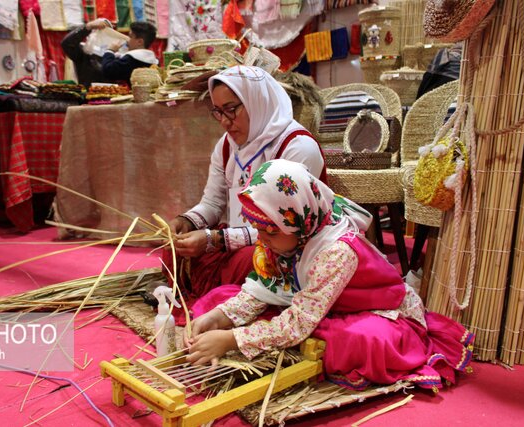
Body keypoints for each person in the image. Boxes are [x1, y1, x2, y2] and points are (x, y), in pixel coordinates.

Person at [185, 159, 474, 392]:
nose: (261, 238)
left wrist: (231, 339)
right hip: (316, 304)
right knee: (221, 299)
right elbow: (262, 288)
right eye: (259, 228)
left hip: (377, 312)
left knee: (360, 340)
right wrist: (220, 317)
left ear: (297, 216)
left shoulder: (336, 251)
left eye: (270, 230)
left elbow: (299, 322)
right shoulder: (285, 232)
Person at [164, 66, 327, 302]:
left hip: (290, 245)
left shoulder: (297, 146)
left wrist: (215, 240)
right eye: (218, 112)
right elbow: (212, 202)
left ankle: (225, 301)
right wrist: (185, 222)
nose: (224, 122)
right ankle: (213, 297)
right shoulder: (228, 145)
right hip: (237, 240)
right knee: (176, 249)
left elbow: (288, 228)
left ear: (257, 102)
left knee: (250, 261)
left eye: (231, 110)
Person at [61, 19, 158, 87]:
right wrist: (88, 27)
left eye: (107, 31)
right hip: (91, 100)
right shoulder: (85, 53)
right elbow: (67, 43)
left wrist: (110, 51)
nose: (101, 35)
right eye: (97, 30)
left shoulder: (122, 54)